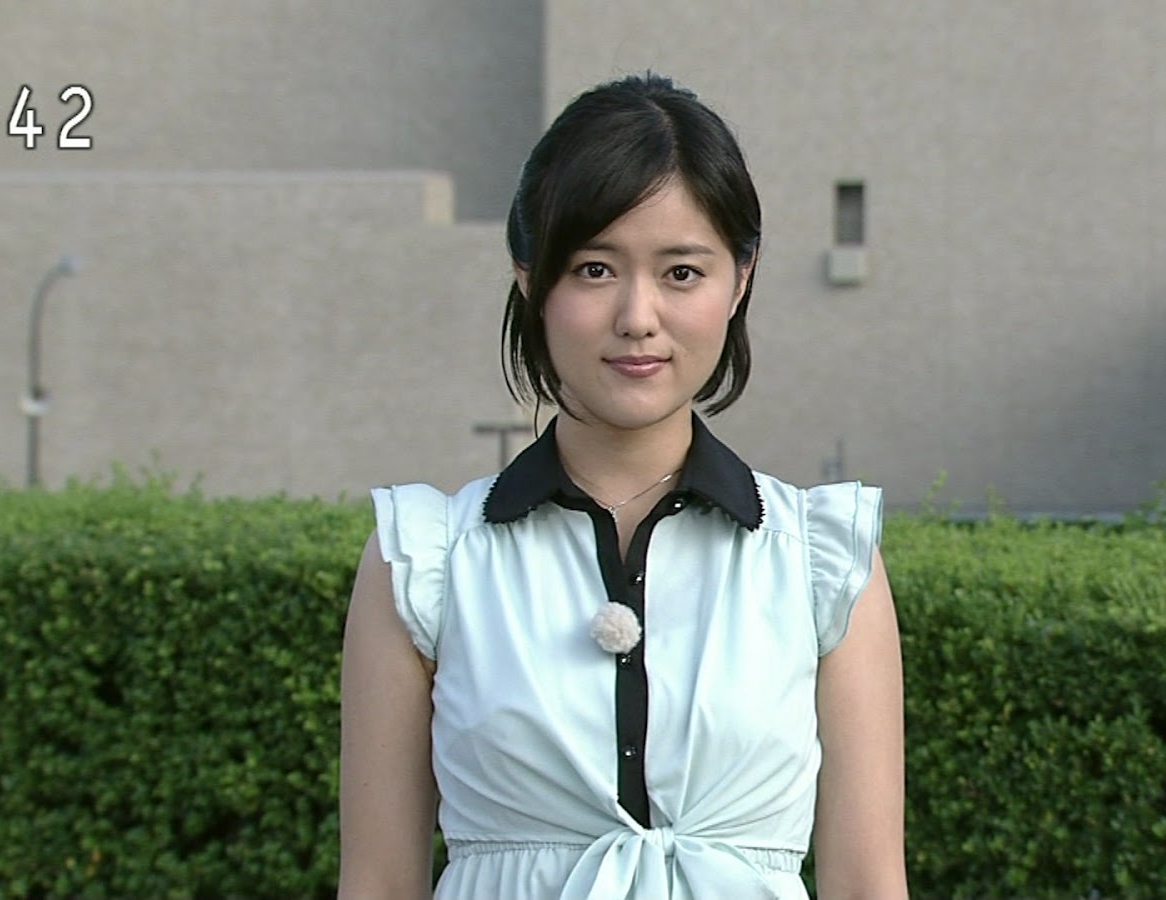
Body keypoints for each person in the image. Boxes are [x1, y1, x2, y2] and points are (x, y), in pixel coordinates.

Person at [338, 72, 907, 899]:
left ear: (741, 277)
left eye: (682, 273)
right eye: (595, 268)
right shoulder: (426, 561)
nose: (638, 316)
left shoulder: (820, 561)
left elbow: (867, 884)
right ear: (530, 277)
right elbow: (379, 884)